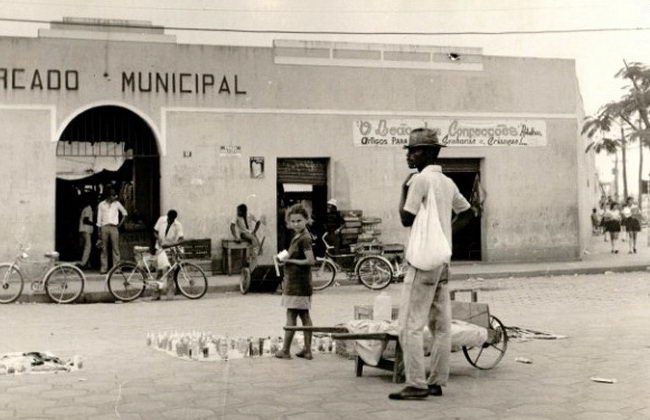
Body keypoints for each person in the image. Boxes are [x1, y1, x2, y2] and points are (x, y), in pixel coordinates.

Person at [389, 128, 473, 401]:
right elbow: (468, 213)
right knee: (441, 326)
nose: (409, 156)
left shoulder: (420, 180)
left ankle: (416, 383)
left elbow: (406, 218)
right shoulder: (447, 182)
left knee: (409, 325)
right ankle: (436, 381)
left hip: (423, 262)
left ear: (427, 153)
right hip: (442, 261)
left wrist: (403, 191)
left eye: (413, 151)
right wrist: (445, 237)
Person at [274, 204, 316, 361]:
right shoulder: (299, 236)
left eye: (299, 220)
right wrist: (284, 258)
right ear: (289, 222)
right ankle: (307, 350)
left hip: (298, 284)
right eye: (293, 221)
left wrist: (289, 261)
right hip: (298, 282)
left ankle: (285, 350)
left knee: (291, 315)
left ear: (306, 220)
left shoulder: (304, 238)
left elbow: (310, 261)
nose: (296, 223)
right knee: (304, 315)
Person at [152, 209, 185, 298]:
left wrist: (172, 245)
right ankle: (156, 293)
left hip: (171, 250)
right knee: (159, 272)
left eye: (172, 220)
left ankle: (170, 293)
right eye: (169, 219)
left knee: (170, 272)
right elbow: (155, 231)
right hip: (160, 249)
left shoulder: (178, 225)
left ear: (174, 219)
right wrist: (158, 238)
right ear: (167, 217)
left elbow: (181, 239)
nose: (170, 221)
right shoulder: (161, 220)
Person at [96, 188, 128, 274]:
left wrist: (120, 224)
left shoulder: (117, 204)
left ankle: (117, 268)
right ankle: (104, 268)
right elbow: (99, 219)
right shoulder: (101, 205)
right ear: (109, 196)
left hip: (114, 227)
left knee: (116, 249)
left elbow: (125, 213)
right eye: (113, 195)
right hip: (104, 227)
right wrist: (99, 231)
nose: (115, 197)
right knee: (104, 248)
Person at [77, 196, 94, 269]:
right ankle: (83, 263)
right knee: (88, 246)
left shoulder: (85, 208)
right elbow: (85, 220)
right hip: (86, 230)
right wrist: (94, 224)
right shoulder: (88, 208)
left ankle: (87, 263)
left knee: (84, 246)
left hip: (83, 230)